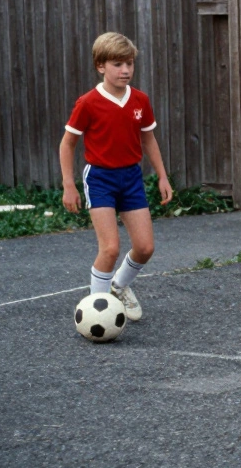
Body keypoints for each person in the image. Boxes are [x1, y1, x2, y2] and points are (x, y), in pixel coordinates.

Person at [60, 32, 173, 322]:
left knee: (146, 247)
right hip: (100, 178)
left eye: (129, 64)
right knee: (110, 248)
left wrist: (162, 176)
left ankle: (119, 286)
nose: (125, 70)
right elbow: (68, 144)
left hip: (131, 178)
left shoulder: (140, 100)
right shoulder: (88, 103)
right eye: (117, 64)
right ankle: (96, 310)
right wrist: (68, 185)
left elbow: (148, 140)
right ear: (101, 66)